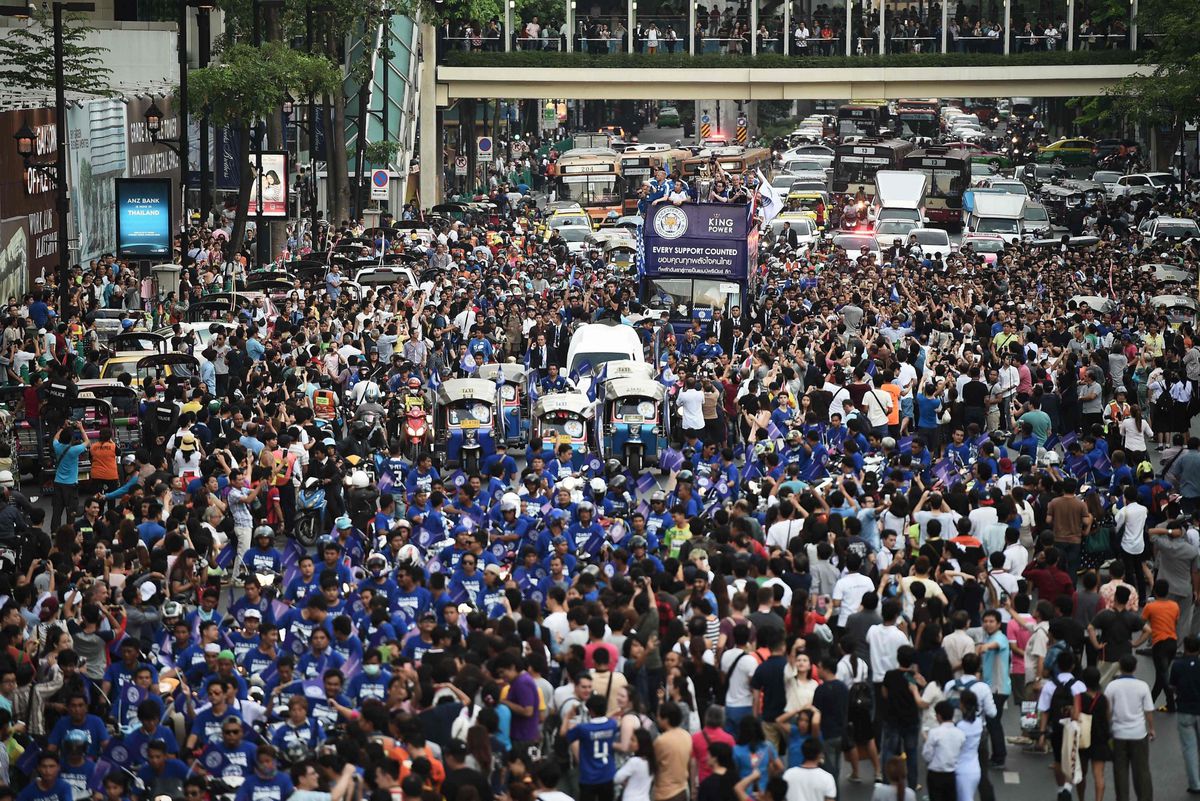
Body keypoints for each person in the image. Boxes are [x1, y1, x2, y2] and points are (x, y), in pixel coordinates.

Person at [1104, 654, 1154, 801]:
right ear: (1135, 668)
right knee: (1142, 771)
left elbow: (1108, 711)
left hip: (1119, 734)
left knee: (1120, 772)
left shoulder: (1112, 686)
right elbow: (1148, 711)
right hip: (1138, 733)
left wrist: (1109, 727)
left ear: (1120, 667)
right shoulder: (1142, 686)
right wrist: (1151, 728)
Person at [1170, 636, 1200, 794]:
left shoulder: (1178, 665)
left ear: (1185, 647)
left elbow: (1173, 685)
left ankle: (1195, 784)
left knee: (1189, 748)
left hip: (1184, 710)